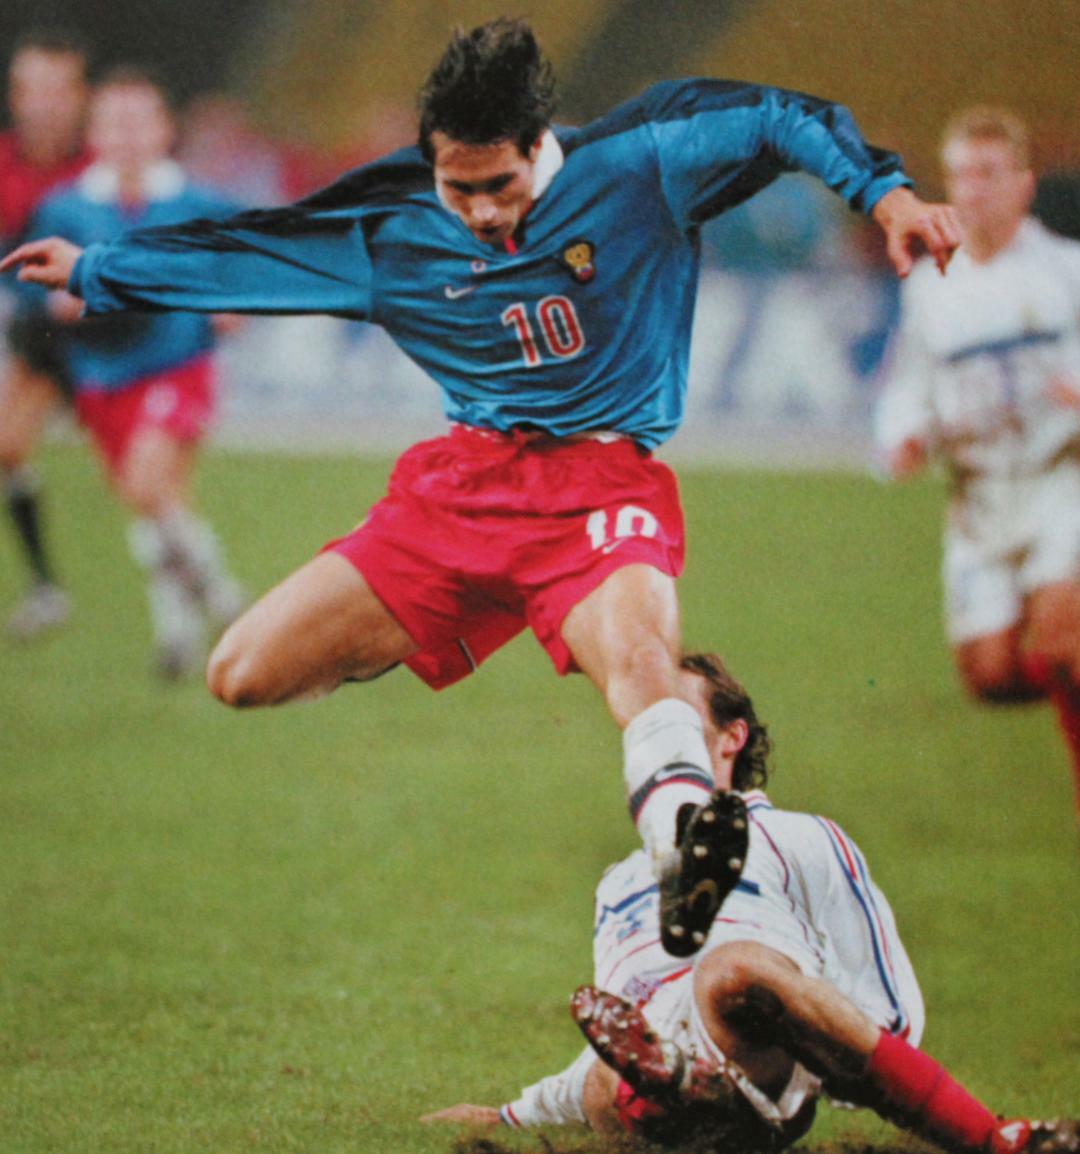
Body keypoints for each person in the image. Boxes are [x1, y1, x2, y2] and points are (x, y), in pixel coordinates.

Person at [1, 19, 961, 950]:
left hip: (601, 486)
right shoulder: (396, 227)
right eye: (460, 190)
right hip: (459, 494)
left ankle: (688, 854)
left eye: (499, 185)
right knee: (240, 675)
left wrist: (887, 197)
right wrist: (99, 269)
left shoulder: (640, 165)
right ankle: (458, 633)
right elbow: (256, 249)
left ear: (540, 145)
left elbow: (780, 118)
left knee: (636, 660)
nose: (483, 211)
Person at [423, 652, 1080, 1154]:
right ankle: (686, 1085)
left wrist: (854, 1071)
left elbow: (879, 997)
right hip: (648, 1065)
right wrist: (511, 1114)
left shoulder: (802, 837)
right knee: (606, 1066)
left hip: (754, 1039)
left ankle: (996, 1140)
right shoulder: (619, 883)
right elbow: (615, 1020)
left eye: (680, 719)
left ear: (731, 737)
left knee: (730, 969)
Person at [875, 107, 1080, 844]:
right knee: (993, 677)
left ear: (1024, 185)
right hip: (978, 497)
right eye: (960, 175)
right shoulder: (931, 282)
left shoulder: (1075, 271)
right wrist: (905, 434)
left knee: (1060, 642)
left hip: (1064, 477)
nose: (971, 190)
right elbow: (909, 383)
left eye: (988, 174)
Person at [22, 67, 247, 677]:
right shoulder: (65, 207)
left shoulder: (198, 202)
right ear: (93, 132)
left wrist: (235, 301)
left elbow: (249, 258)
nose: (126, 135)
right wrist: (54, 301)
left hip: (178, 362)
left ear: (164, 130)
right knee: (158, 504)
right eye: (113, 122)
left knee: (150, 485)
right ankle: (181, 630)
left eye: (138, 121)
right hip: (100, 375)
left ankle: (222, 598)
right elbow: (29, 283)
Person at [0, 28, 90, 638]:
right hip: (40, 340)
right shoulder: (6, 165)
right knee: (8, 447)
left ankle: (203, 590)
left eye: (57, 89)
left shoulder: (103, 166)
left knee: (142, 482)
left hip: (112, 341)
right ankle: (46, 589)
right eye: (33, 89)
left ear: (79, 97)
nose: (45, 104)